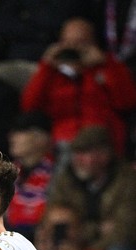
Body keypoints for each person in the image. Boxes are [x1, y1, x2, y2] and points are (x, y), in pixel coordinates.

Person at [21, 17, 136, 162]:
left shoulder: (108, 66)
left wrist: (105, 65)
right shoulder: (53, 73)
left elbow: (127, 102)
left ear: (93, 43)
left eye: (81, 43)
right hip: (62, 145)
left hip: (102, 143)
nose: (74, 48)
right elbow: (29, 106)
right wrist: (47, 66)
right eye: (68, 42)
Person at [4, 111, 54, 241]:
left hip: (39, 239)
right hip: (8, 236)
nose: (12, 137)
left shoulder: (56, 171)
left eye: (20, 132)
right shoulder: (9, 171)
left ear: (41, 138)